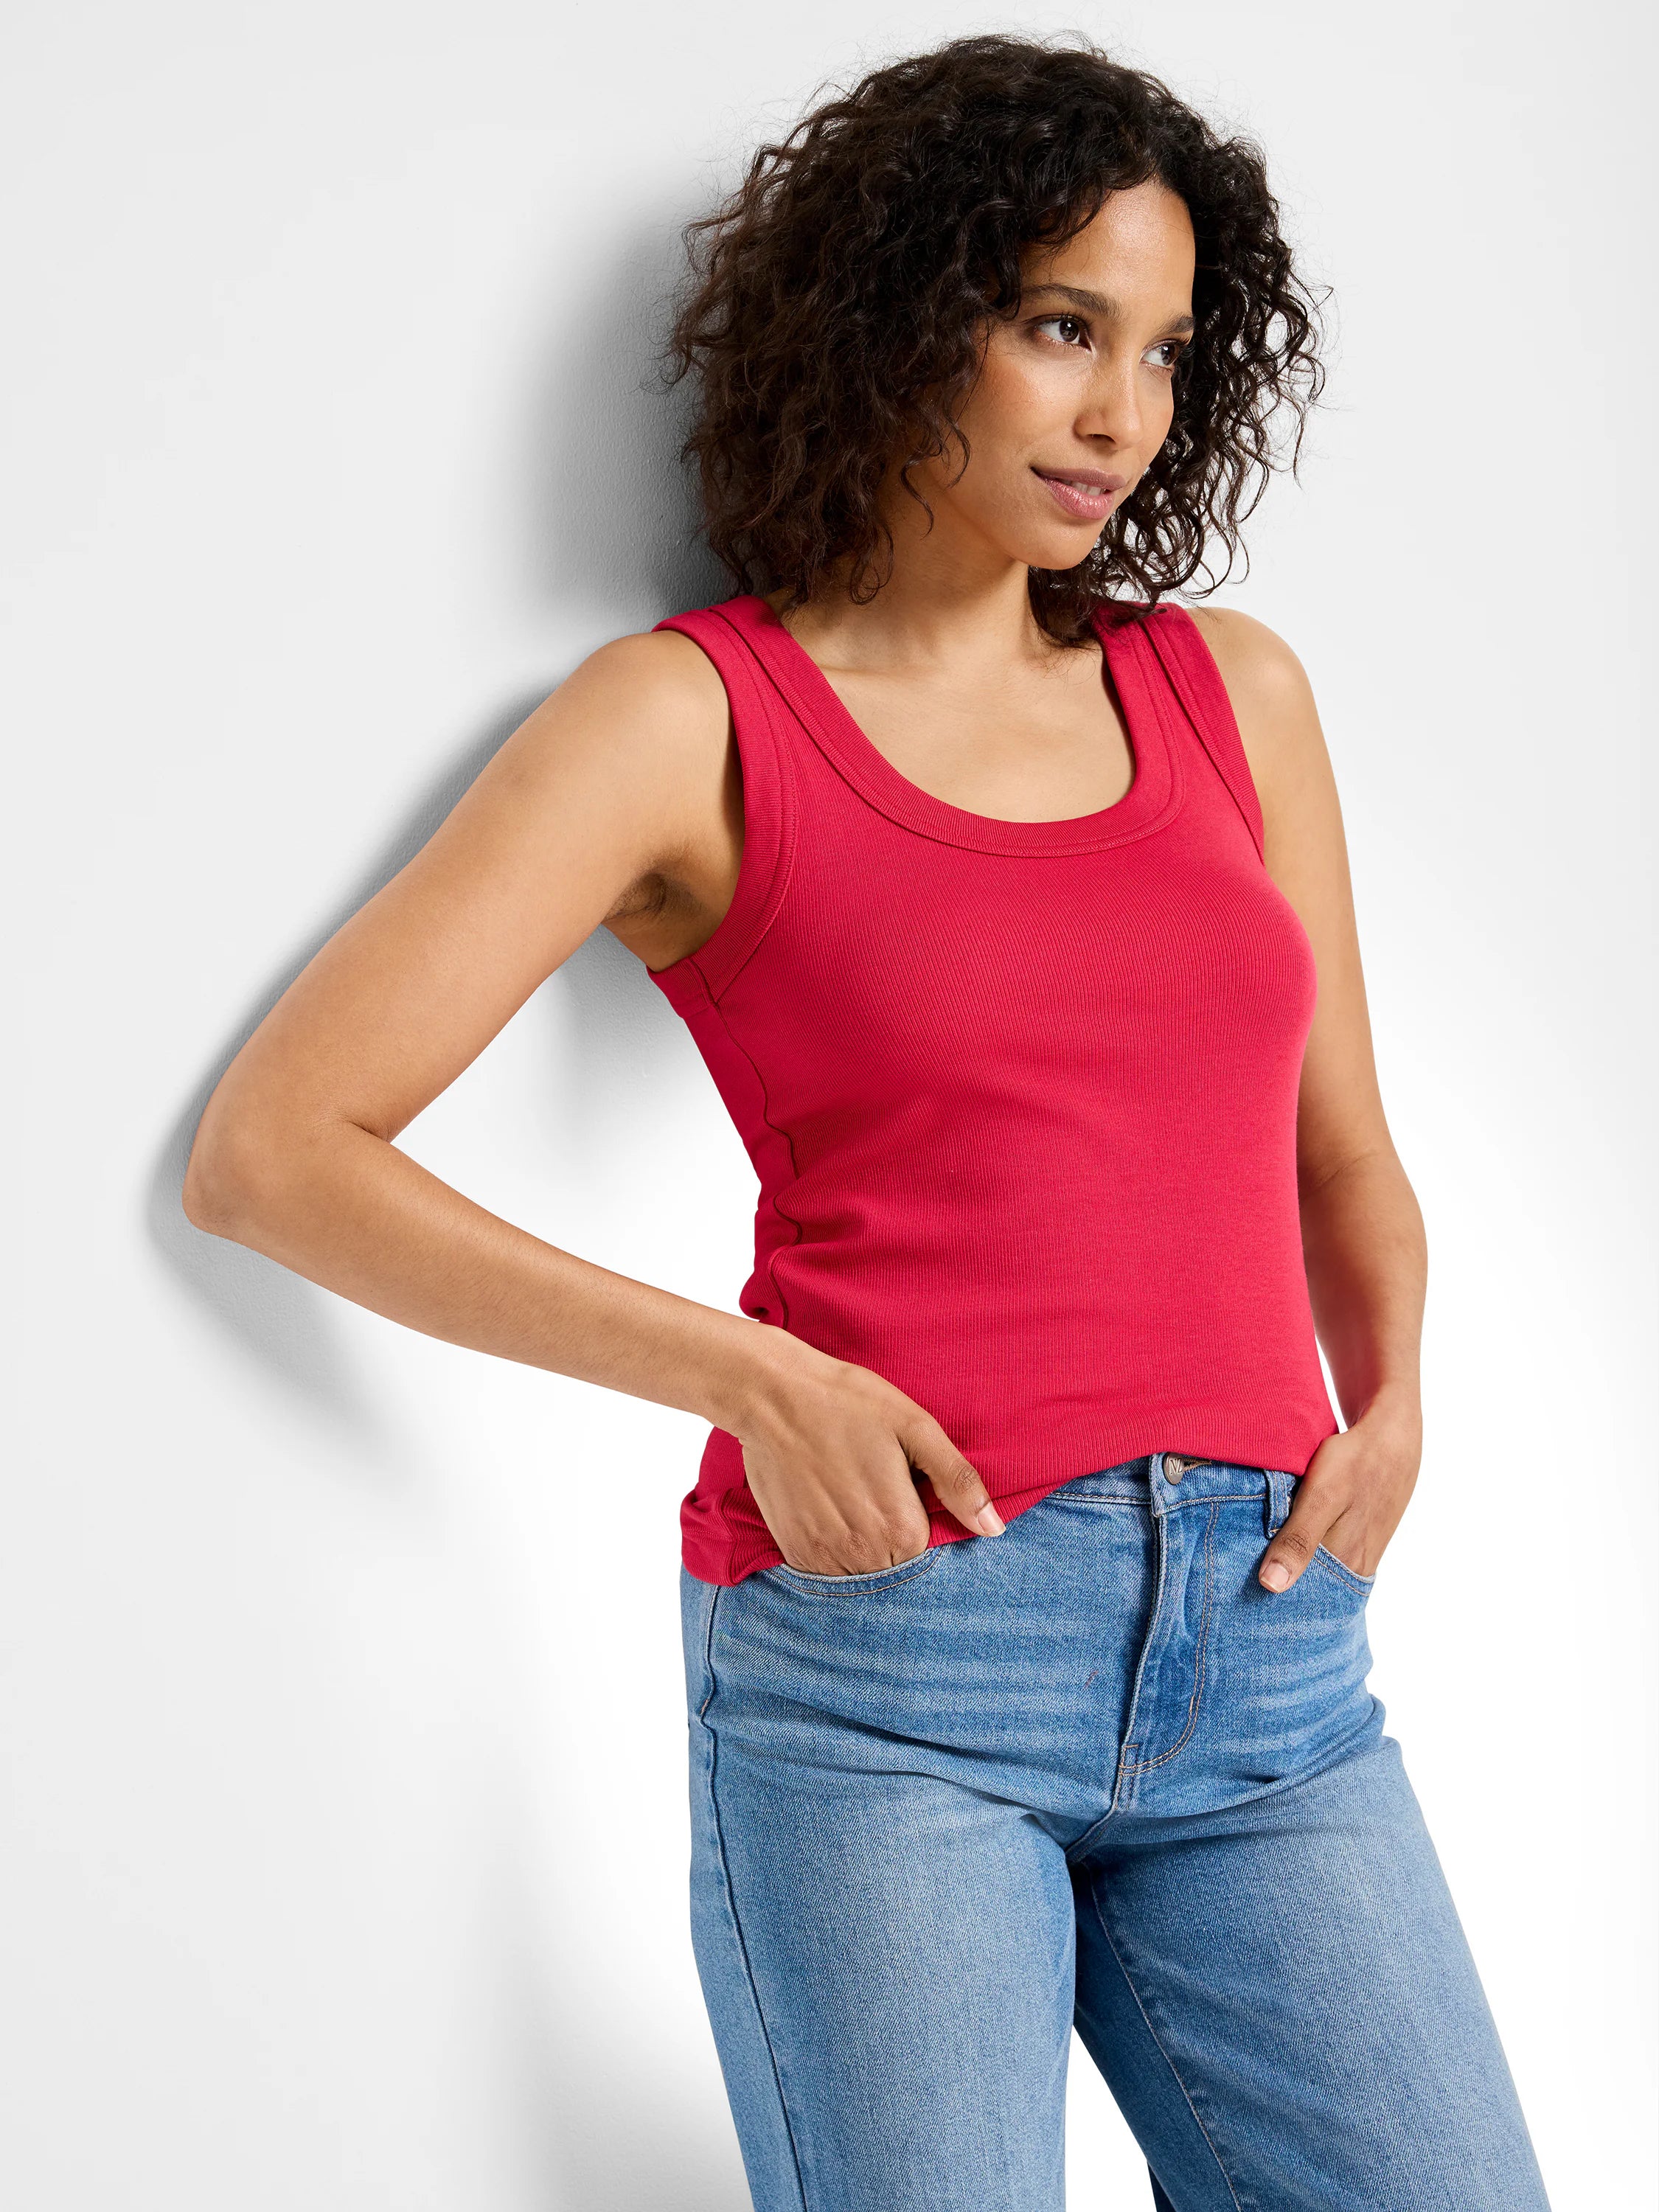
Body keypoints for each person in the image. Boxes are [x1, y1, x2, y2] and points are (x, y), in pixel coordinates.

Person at [183, 32, 1554, 2212]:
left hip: (1272, 1659)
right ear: (906, 318)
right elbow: (276, 1151)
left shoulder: (1232, 693)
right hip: (894, 1655)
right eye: (1054, 329)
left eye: (1166, 351)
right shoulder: (688, 721)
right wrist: (746, 1377)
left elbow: (1340, 1155)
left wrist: (1393, 1397)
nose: (1121, 414)